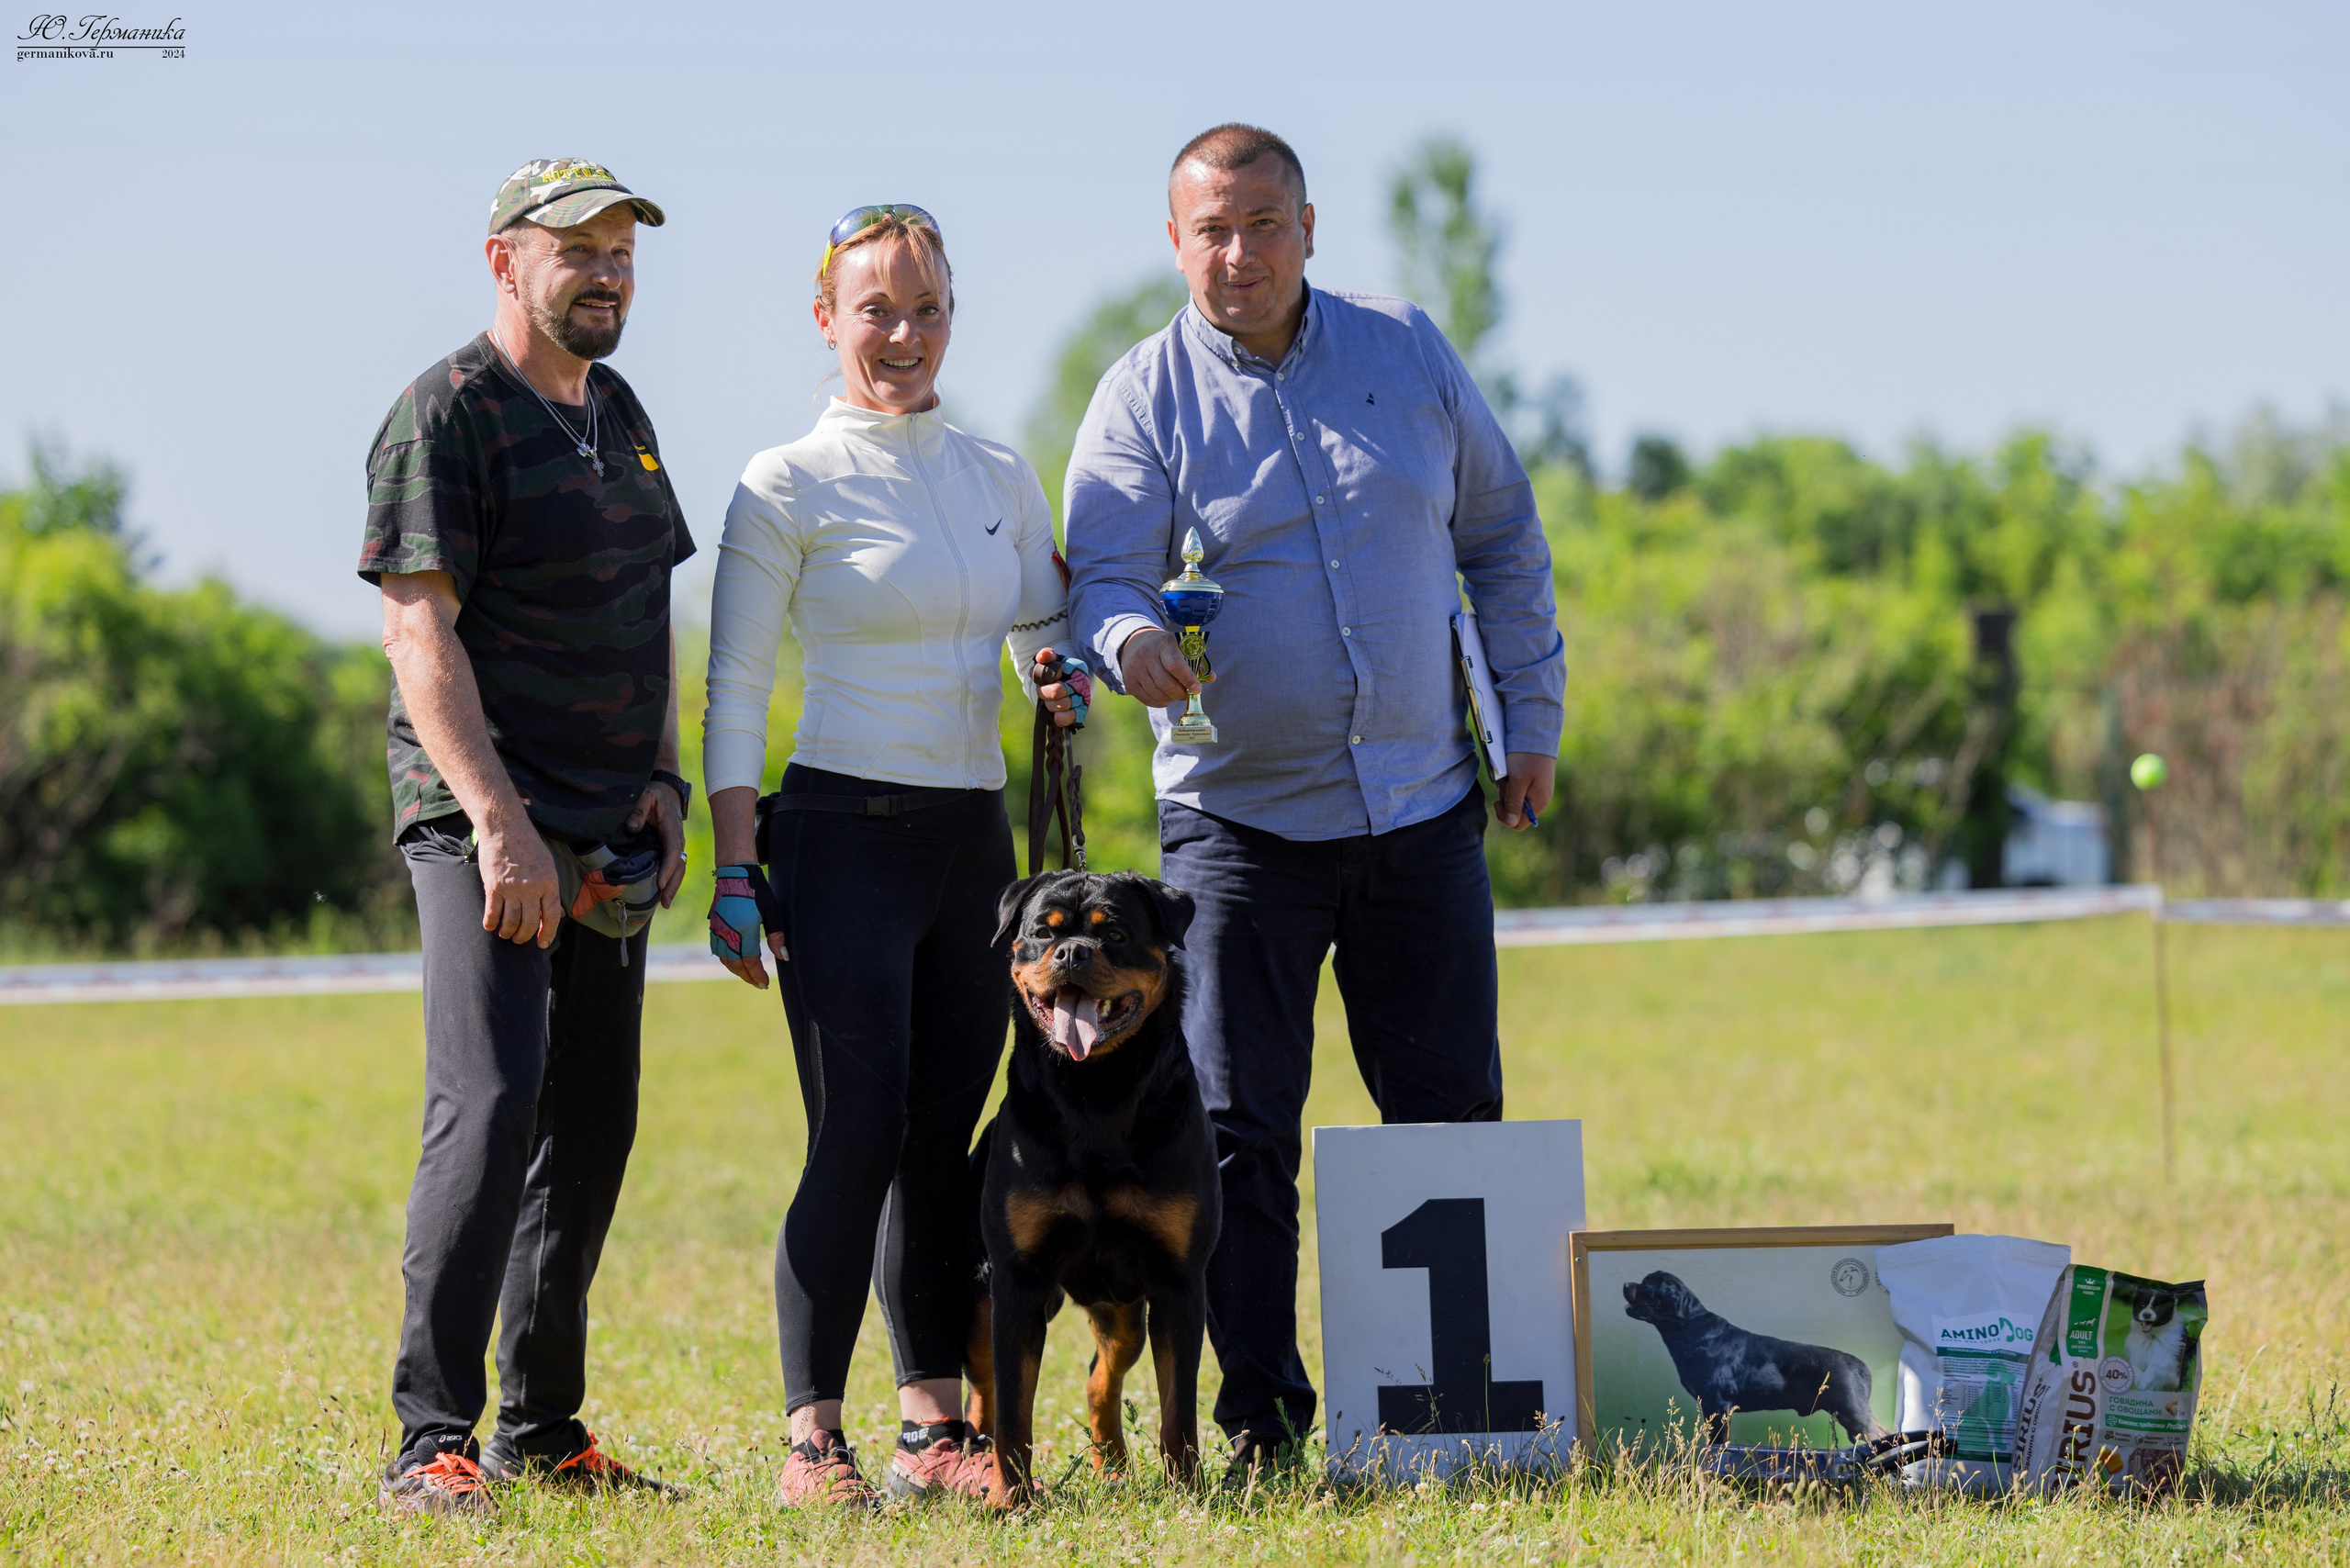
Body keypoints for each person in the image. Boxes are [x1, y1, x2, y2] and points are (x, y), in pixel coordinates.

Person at [1063, 124, 1567, 1472]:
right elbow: (1100, 578)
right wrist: (1130, 646)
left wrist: (1530, 718)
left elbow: (1503, 539)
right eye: (1211, 230)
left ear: (1308, 226)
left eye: (1264, 223)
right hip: (1234, 831)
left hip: (1422, 808)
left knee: (1452, 1114)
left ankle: (1466, 1417)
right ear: (1176, 241)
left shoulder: (1407, 352)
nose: (1239, 253)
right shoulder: (1139, 397)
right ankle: (1265, 1420)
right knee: (1234, 1136)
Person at [700, 205, 1090, 1509]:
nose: (904, 334)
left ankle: (935, 1428)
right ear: (827, 317)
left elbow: (1050, 624)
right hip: (834, 839)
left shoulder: (995, 472)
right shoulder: (785, 481)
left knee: (944, 1140)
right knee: (855, 1131)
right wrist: (736, 866)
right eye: (876, 309)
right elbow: (738, 683)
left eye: (926, 308)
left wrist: (1062, 674)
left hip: (972, 847)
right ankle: (815, 1435)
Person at [359, 158, 692, 1515]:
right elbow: (415, 629)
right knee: (491, 1105)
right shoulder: (444, 413)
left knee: (592, 1122)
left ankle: (543, 1430)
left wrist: (664, 779)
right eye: (576, 250)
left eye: (621, 249)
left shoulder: (622, 414)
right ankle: (428, 1438)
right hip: (485, 821)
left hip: (611, 827)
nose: (604, 270)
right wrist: (500, 826)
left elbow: (650, 606)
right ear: (505, 262)